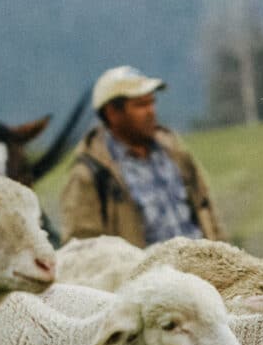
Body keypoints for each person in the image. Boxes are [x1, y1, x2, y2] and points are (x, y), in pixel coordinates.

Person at [58, 65, 225, 245]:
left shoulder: (176, 153)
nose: (151, 111)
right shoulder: (89, 175)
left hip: (201, 269)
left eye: (152, 102)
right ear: (112, 113)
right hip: (146, 271)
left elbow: (208, 213)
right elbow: (81, 248)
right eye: (141, 105)